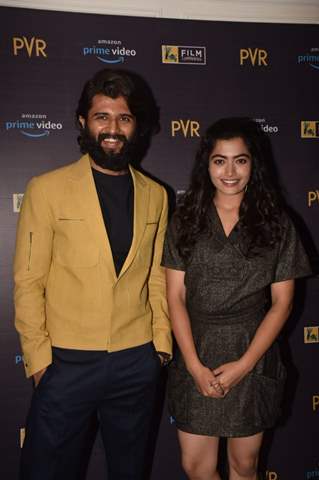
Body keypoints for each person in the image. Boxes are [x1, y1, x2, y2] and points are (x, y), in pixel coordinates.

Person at [14, 68, 172, 480]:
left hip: (137, 359)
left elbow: (157, 277)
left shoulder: (156, 195)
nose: (113, 128)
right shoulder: (46, 189)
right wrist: (40, 362)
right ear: (84, 122)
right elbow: (29, 281)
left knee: (130, 470)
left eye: (124, 117)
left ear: (137, 126)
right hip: (66, 363)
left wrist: (159, 349)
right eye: (102, 116)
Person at [162, 118, 311, 480]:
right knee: (196, 467)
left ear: (253, 164)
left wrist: (244, 365)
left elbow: (282, 304)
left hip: (252, 353)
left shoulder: (277, 222)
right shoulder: (184, 220)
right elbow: (175, 297)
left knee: (244, 467)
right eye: (219, 160)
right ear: (206, 164)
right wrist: (196, 367)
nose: (230, 171)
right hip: (196, 351)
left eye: (240, 160)